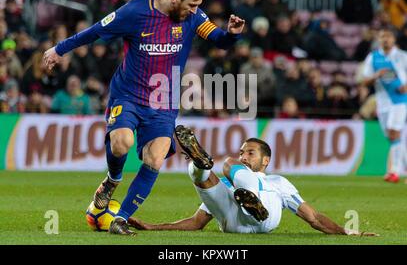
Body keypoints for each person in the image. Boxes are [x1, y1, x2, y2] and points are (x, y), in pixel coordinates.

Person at [42, 0, 245, 235]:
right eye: (192, 4)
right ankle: (112, 180)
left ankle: (120, 218)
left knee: (156, 157)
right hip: (128, 95)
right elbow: (94, 31)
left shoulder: (194, 17)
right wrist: (59, 49)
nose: (195, 10)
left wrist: (232, 34)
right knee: (121, 143)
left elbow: (219, 40)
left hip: (163, 101)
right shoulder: (134, 12)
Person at [128, 125, 377, 236]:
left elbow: (313, 217)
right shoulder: (231, 182)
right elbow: (196, 222)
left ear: (265, 161)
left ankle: (251, 202)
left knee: (226, 165)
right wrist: (153, 227)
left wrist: (346, 231)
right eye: (242, 152)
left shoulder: (279, 182)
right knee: (203, 176)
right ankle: (198, 164)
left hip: (265, 216)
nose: (243, 157)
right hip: (233, 219)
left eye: (250, 153)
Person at [362, 28, 407, 183]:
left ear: (394, 39)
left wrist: (405, 87)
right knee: (392, 136)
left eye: (388, 36)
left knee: (395, 132)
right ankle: (400, 169)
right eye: (382, 36)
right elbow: (364, 80)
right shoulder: (373, 58)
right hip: (383, 103)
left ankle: (395, 171)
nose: (385, 39)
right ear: (379, 39)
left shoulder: (402, 56)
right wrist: (377, 75)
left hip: (400, 100)